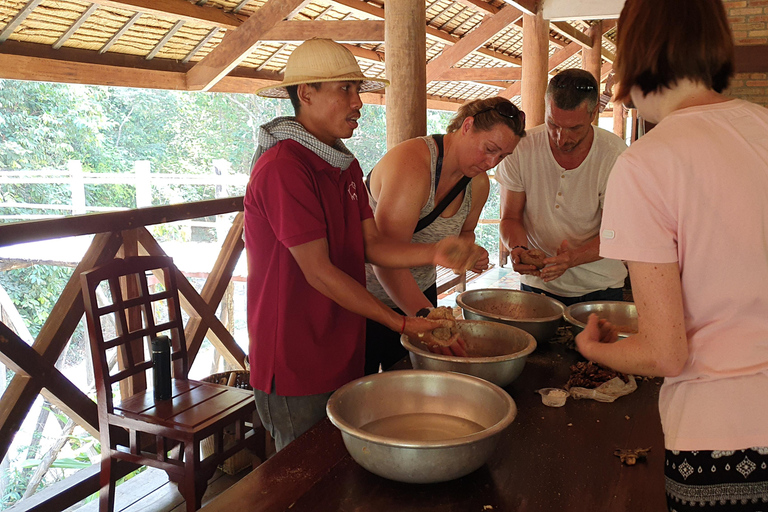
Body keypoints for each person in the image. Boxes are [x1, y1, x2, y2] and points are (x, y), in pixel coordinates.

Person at [574, 0, 768, 510]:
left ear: (634, 52)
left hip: (721, 436)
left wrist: (593, 349)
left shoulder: (646, 164)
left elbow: (665, 353)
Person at [244, 38, 481, 451]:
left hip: (342, 345)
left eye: (358, 89)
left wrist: (434, 252)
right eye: (346, 89)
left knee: (339, 467)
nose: (359, 102)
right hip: (297, 355)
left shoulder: (344, 163)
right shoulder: (284, 167)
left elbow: (371, 244)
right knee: (305, 477)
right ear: (306, 93)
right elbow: (319, 271)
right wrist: (400, 322)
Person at [364, 97, 526, 374]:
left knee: (414, 388)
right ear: (467, 126)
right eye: (489, 149)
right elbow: (385, 260)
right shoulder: (413, 165)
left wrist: (468, 253)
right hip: (365, 301)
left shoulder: (477, 184)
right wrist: (430, 317)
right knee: (363, 397)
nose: (491, 162)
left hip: (420, 293)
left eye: (502, 157)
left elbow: (466, 233)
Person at [496, 69, 629, 307]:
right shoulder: (522, 148)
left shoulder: (615, 155)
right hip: (537, 286)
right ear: (546, 108)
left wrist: (571, 259)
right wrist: (517, 248)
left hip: (600, 287)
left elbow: (619, 232)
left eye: (574, 128)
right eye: (553, 124)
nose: (561, 138)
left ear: (594, 113)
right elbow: (510, 217)